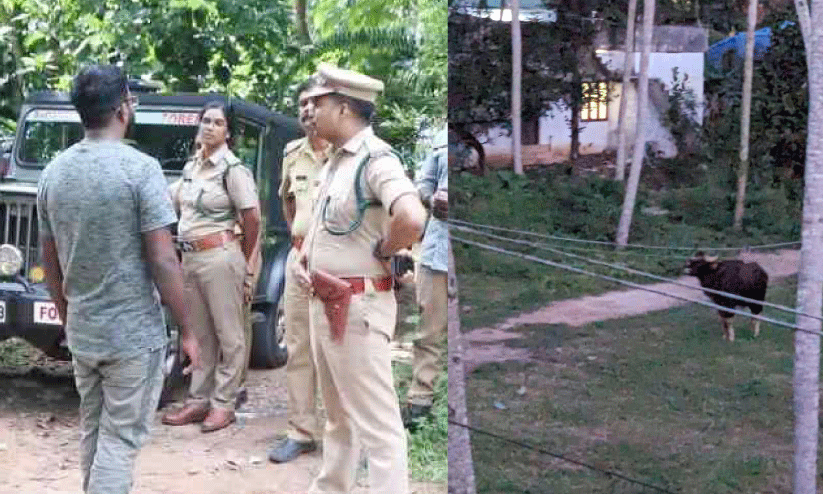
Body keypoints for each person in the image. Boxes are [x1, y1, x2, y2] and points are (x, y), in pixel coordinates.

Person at [37, 64, 201, 494]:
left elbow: (50, 262)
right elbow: (163, 260)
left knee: (94, 431)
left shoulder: (53, 173)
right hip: (131, 337)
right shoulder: (141, 169)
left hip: (84, 332)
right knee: (120, 439)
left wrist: (68, 316)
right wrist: (188, 330)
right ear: (122, 109)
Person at [297, 64, 426, 494]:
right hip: (328, 302)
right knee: (338, 418)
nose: (310, 111)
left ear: (344, 108)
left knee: (379, 427)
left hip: (358, 308)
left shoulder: (375, 158)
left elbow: (411, 217)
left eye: (319, 103)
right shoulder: (337, 162)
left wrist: (387, 250)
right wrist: (304, 259)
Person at [162, 100, 261, 432]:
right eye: (206, 120)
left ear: (228, 132)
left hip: (221, 256)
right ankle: (198, 400)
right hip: (189, 257)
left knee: (230, 335)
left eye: (218, 123)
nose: (210, 127)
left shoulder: (233, 169)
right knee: (200, 334)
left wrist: (243, 259)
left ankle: (224, 404)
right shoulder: (192, 167)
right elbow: (171, 201)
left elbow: (252, 219)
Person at [268, 79, 330, 463]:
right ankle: (301, 431)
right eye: (302, 103)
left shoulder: (348, 152)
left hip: (339, 264)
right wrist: (299, 242)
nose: (307, 110)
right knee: (299, 348)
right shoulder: (292, 153)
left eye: (314, 103)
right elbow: (288, 203)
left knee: (340, 352)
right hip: (299, 259)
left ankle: (345, 435)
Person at [402, 126, 449, 430]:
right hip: (437, 250)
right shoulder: (441, 136)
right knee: (429, 330)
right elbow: (423, 184)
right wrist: (433, 199)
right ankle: (420, 403)